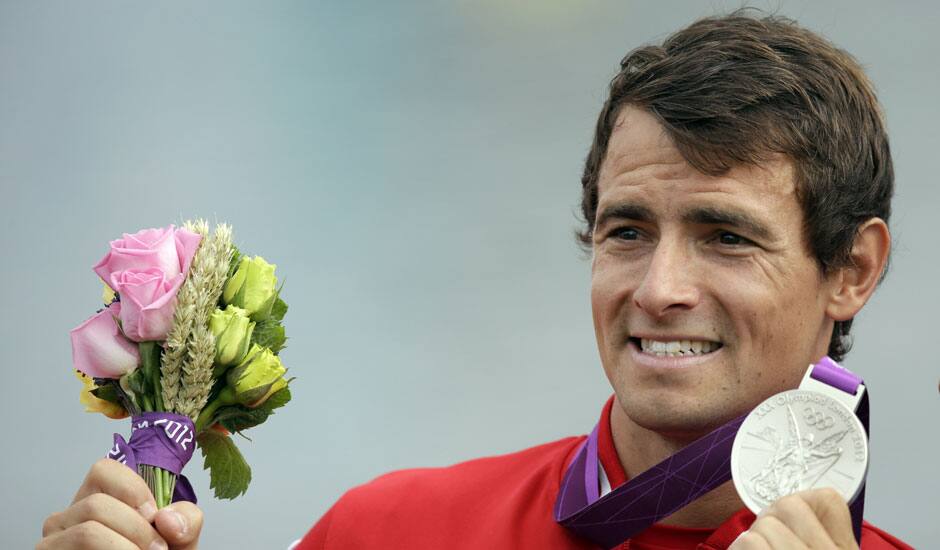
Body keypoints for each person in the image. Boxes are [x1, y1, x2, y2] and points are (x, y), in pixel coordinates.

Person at [38, 11, 912, 550]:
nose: (658, 289)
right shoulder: (384, 532)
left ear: (851, 270)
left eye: (726, 237)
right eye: (628, 231)